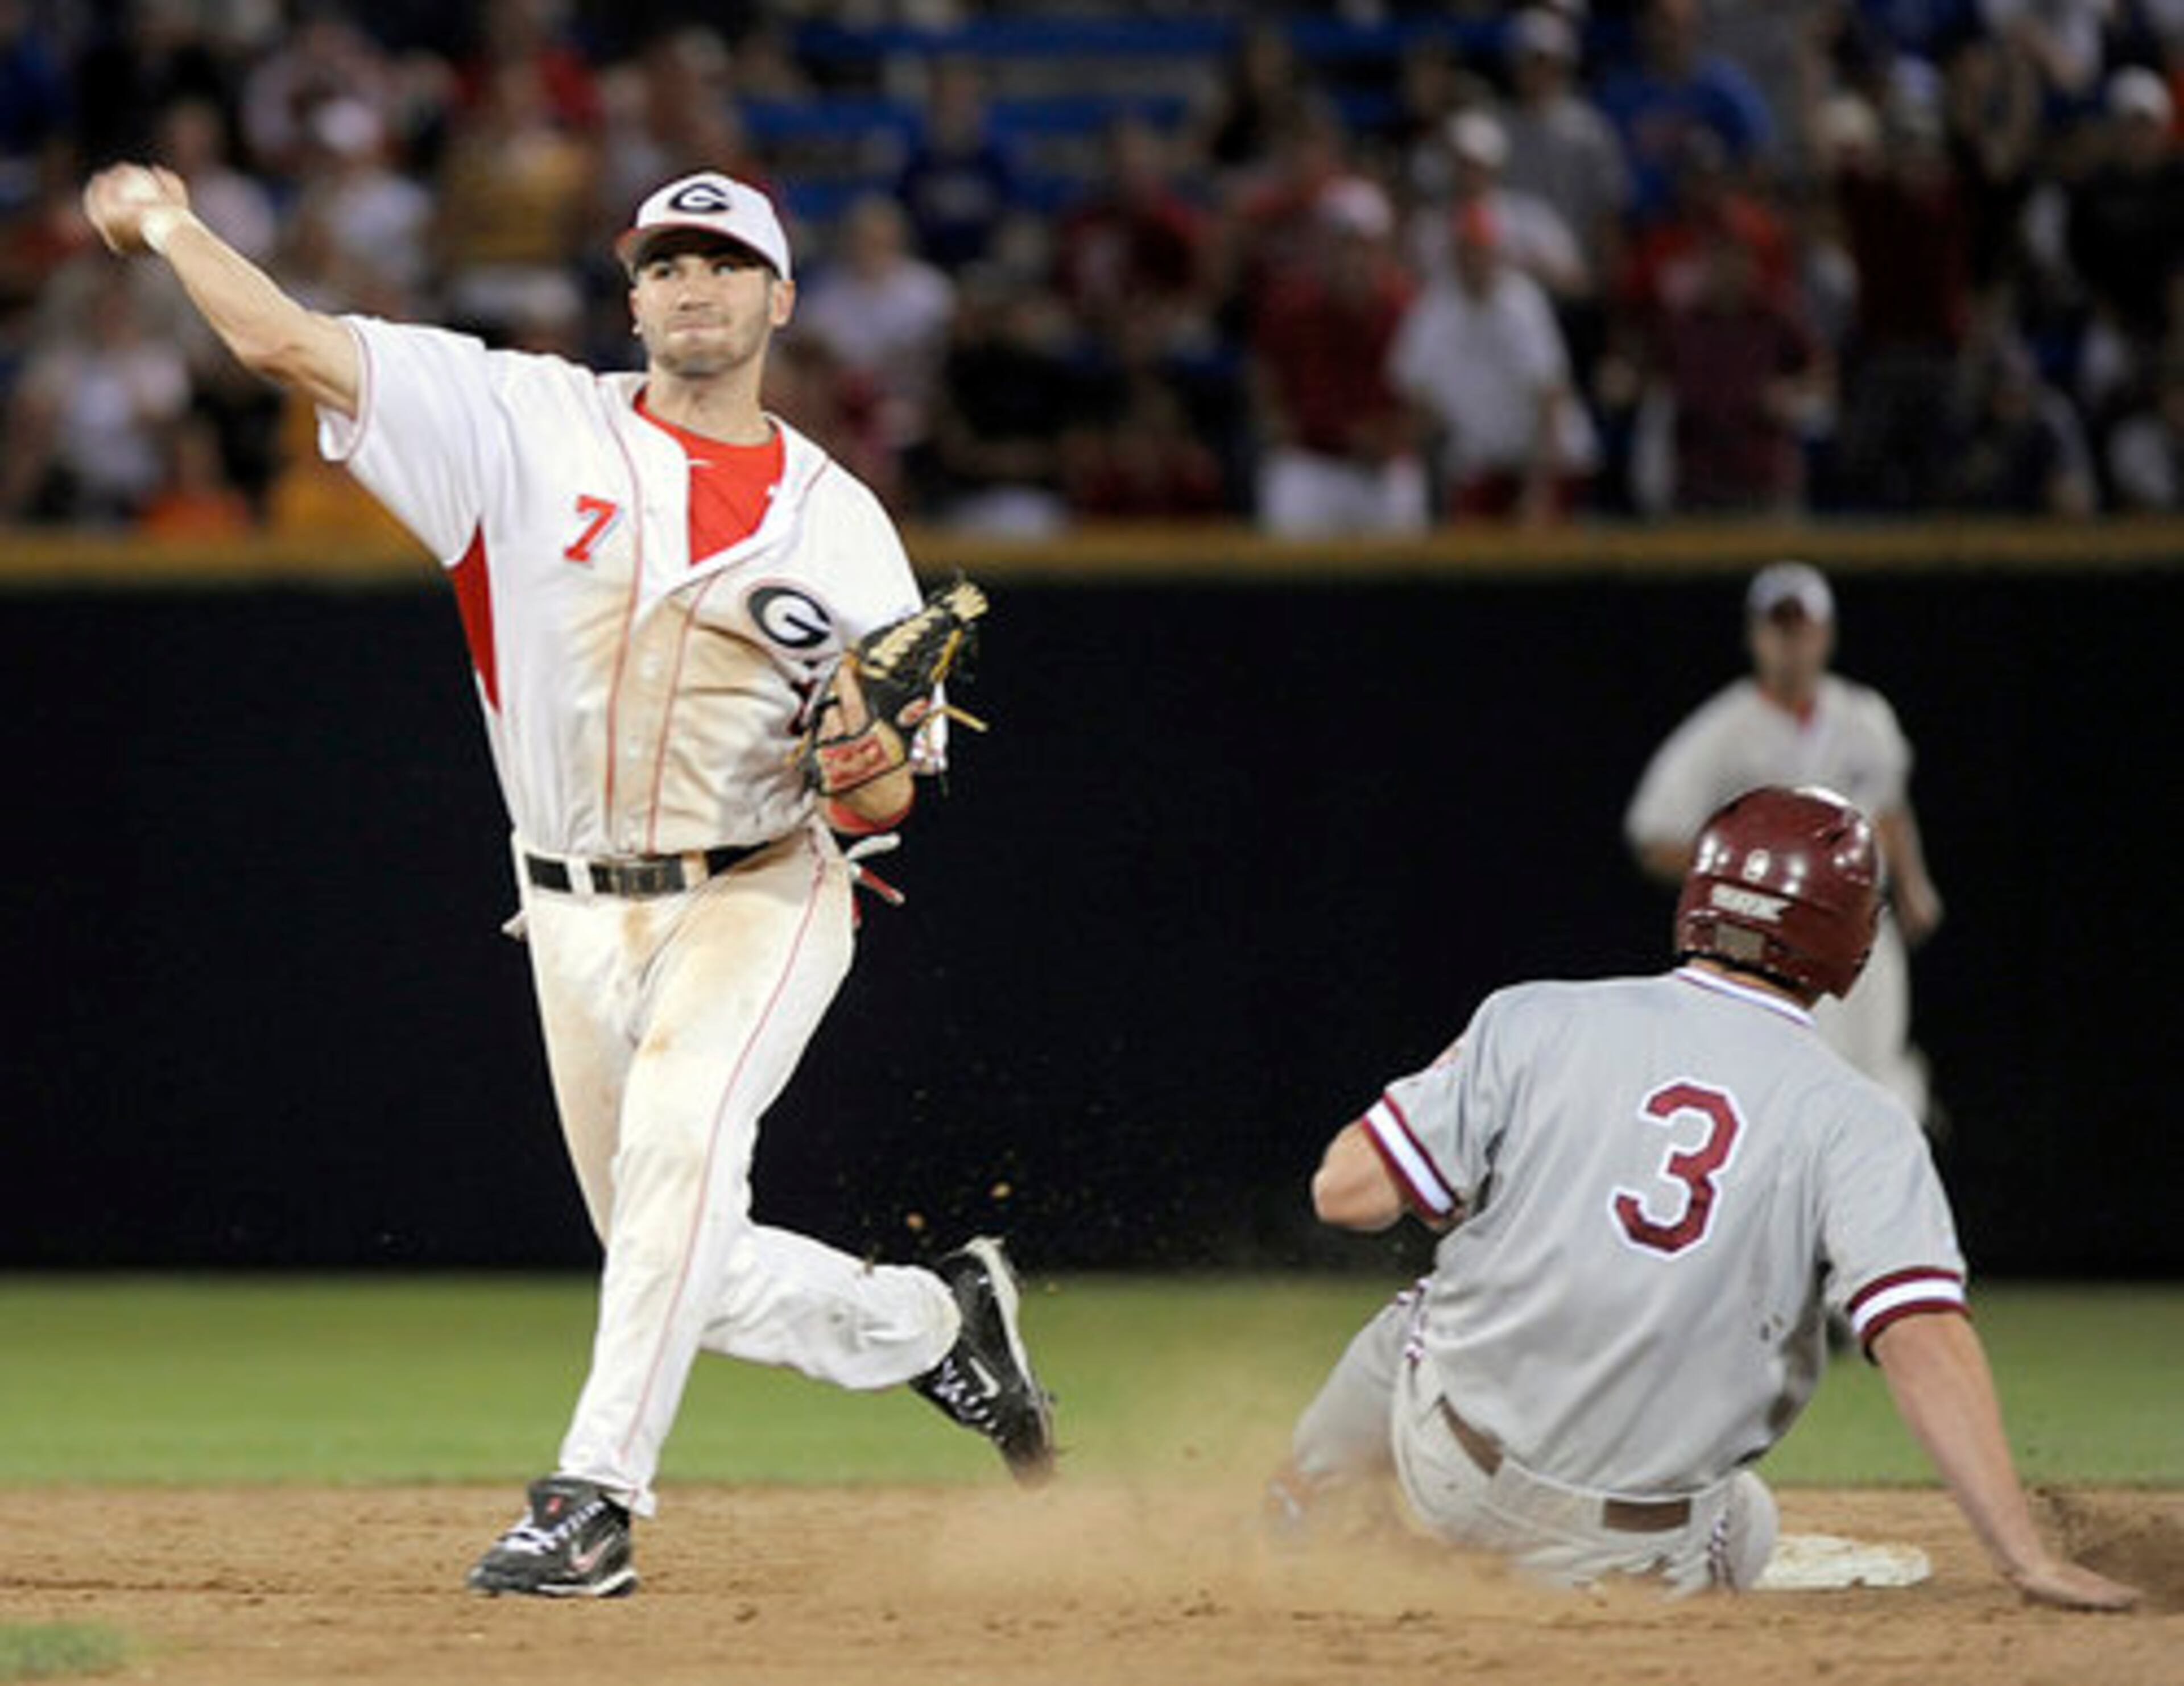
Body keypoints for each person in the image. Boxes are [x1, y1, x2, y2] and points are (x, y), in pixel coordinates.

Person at [78, 158, 1056, 1598]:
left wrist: (860, 757)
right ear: (632, 296)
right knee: (673, 1253)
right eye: (665, 263)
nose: (693, 285)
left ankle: (591, 1501)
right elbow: (286, 341)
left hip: (761, 891)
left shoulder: (844, 527)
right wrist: (166, 223)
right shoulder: (519, 423)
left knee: (676, 1152)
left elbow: (894, 793)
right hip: (566, 908)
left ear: (780, 299)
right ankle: (932, 1325)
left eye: (722, 263)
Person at [1268, 786, 2139, 1611]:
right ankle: (1579, 1591)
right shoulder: (1860, 1121)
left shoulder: (1533, 1020)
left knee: (1423, 1314)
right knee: (1748, 1515)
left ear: (1699, 899)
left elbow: (1346, 1195)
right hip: (1641, 1550)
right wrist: (2025, 1555)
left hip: (1452, 1472)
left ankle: (1308, 1501)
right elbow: (1921, 1336)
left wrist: (1450, 1118)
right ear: (1850, 940)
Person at [1624, 562, 1945, 1127]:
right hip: (1772, 947)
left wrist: (1914, 882)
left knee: (1879, 1089)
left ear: (1825, 635)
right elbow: (1654, 835)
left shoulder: (1863, 716)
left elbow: (1888, 801)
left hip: (1863, 934)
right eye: (1779, 628)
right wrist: (1745, 884)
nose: (1790, 645)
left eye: (1801, 629)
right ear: (1755, 636)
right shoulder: (1723, 731)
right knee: (1786, 1097)